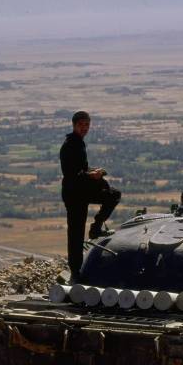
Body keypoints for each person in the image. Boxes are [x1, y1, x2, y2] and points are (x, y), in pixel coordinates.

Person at [60, 111, 121, 282]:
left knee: (113, 195)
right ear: (74, 125)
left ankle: (96, 227)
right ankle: (75, 271)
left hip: (83, 190)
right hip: (74, 195)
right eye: (81, 125)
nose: (85, 128)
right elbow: (72, 175)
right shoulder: (70, 145)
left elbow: (81, 169)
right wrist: (91, 175)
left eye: (87, 125)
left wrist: (95, 172)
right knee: (76, 233)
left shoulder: (79, 143)